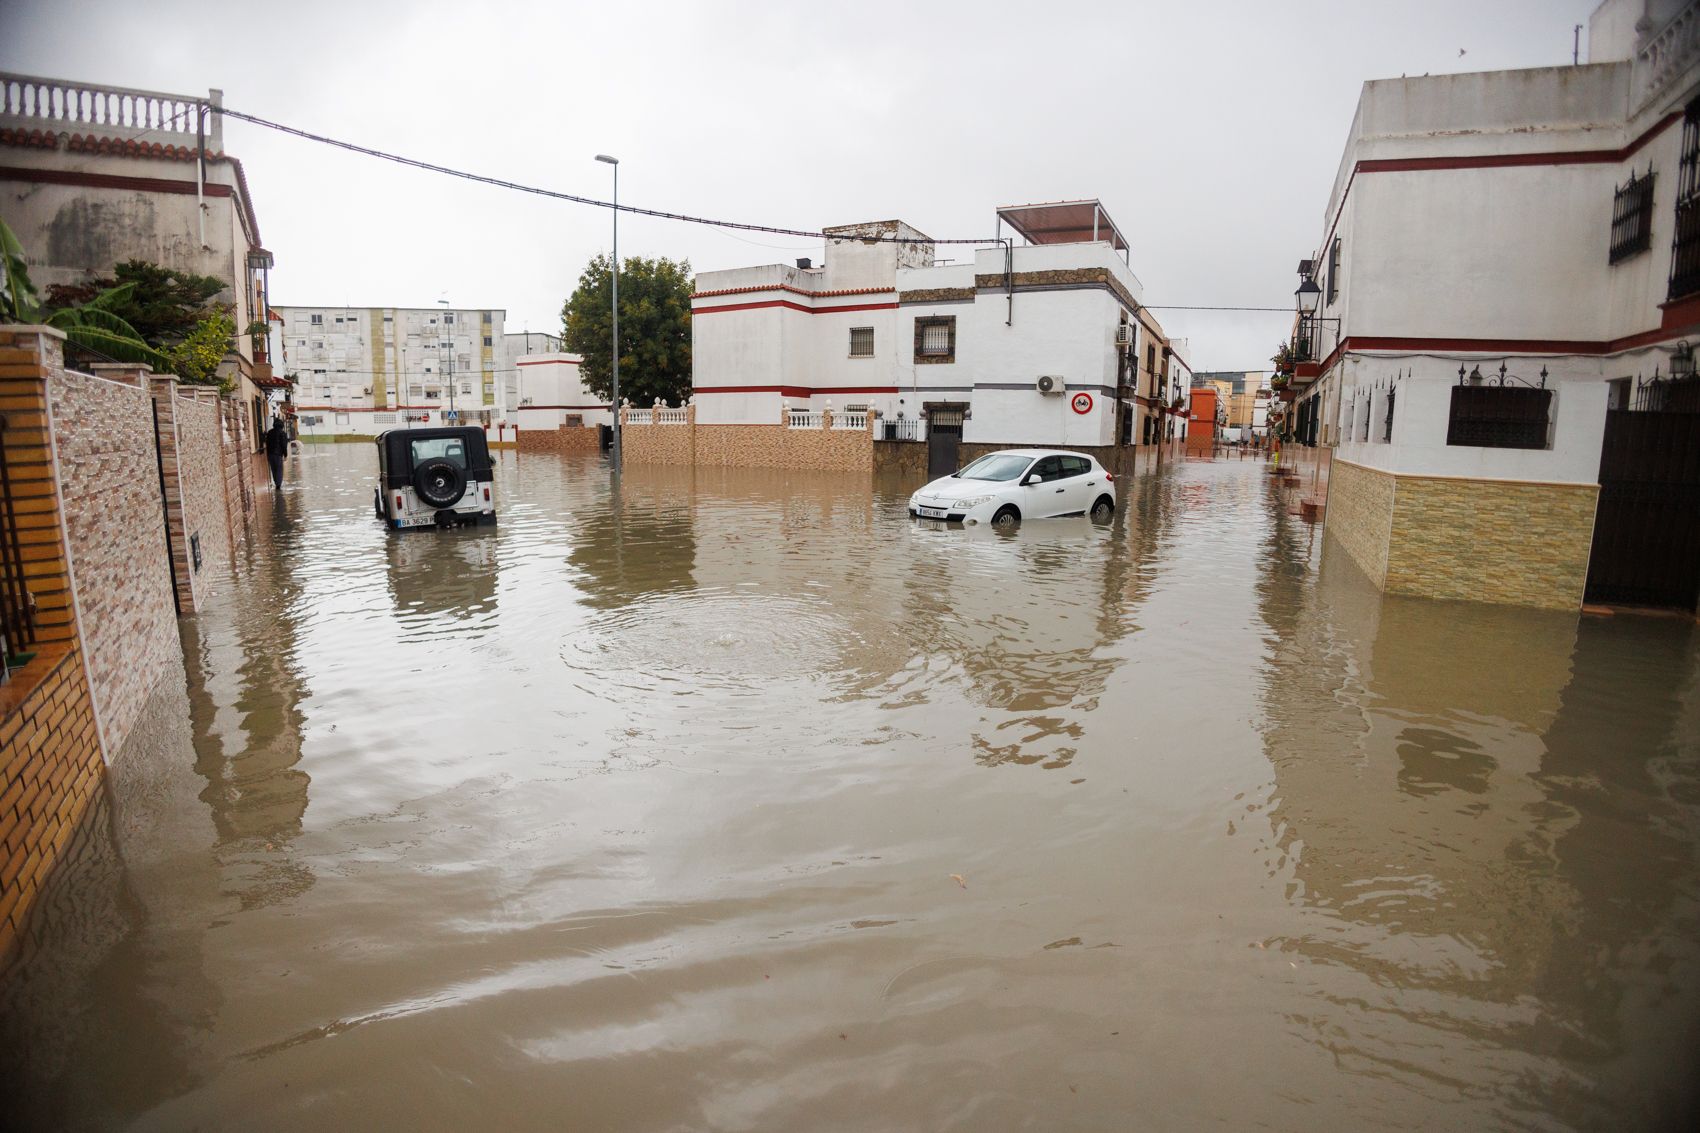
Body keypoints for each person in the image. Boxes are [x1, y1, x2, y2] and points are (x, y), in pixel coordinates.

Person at [265, 417, 289, 490]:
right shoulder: (282, 433)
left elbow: (267, 443)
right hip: (278, 454)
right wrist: (285, 455)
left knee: (273, 469)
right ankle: (278, 485)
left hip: (270, 454)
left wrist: (268, 454)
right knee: (279, 469)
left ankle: (276, 482)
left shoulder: (270, 432)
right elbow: (284, 445)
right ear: (282, 425)